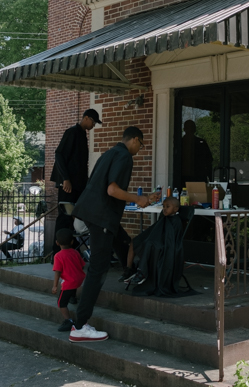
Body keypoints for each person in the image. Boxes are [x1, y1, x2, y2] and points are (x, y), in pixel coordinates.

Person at [69, 126, 159, 342]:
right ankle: (80, 325)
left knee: (124, 241)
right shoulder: (125, 157)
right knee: (98, 269)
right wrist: (138, 199)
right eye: (141, 145)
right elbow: (112, 190)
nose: (140, 149)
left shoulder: (108, 153)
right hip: (102, 217)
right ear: (135, 140)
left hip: (88, 210)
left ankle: (130, 270)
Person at [50, 109, 101, 257]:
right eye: (93, 121)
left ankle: (73, 250)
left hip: (79, 185)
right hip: (68, 185)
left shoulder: (82, 135)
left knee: (76, 218)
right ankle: (57, 253)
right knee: (64, 218)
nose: (93, 125)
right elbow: (59, 154)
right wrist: (65, 178)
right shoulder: (72, 132)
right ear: (86, 118)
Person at [118, 197, 180, 287]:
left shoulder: (176, 221)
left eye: (168, 207)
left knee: (148, 244)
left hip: (164, 245)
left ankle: (142, 272)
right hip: (155, 241)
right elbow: (154, 230)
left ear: (175, 209)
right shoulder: (163, 217)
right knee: (135, 242)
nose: (164, 209)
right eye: (163, 206)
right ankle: (129, 269)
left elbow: (170, 238)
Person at [52, 228, 86, 332]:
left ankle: (68, 321)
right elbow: (82, 265)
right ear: (72, 241)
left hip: (69, 282)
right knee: (72, 288)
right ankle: (73, 296)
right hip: (79, 279)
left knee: (61, 303)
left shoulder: (58, 256)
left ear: (57, 243)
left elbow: (57, 272)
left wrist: (55, 286)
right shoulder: (75, 252)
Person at [181, 120, 213, 184]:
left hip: (199, 176)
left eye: (191, 128)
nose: (190, 130)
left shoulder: (201, 143)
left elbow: (208, 160)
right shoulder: (180, 143)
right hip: (183, 177)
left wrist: (210, 178)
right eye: (188, 128)